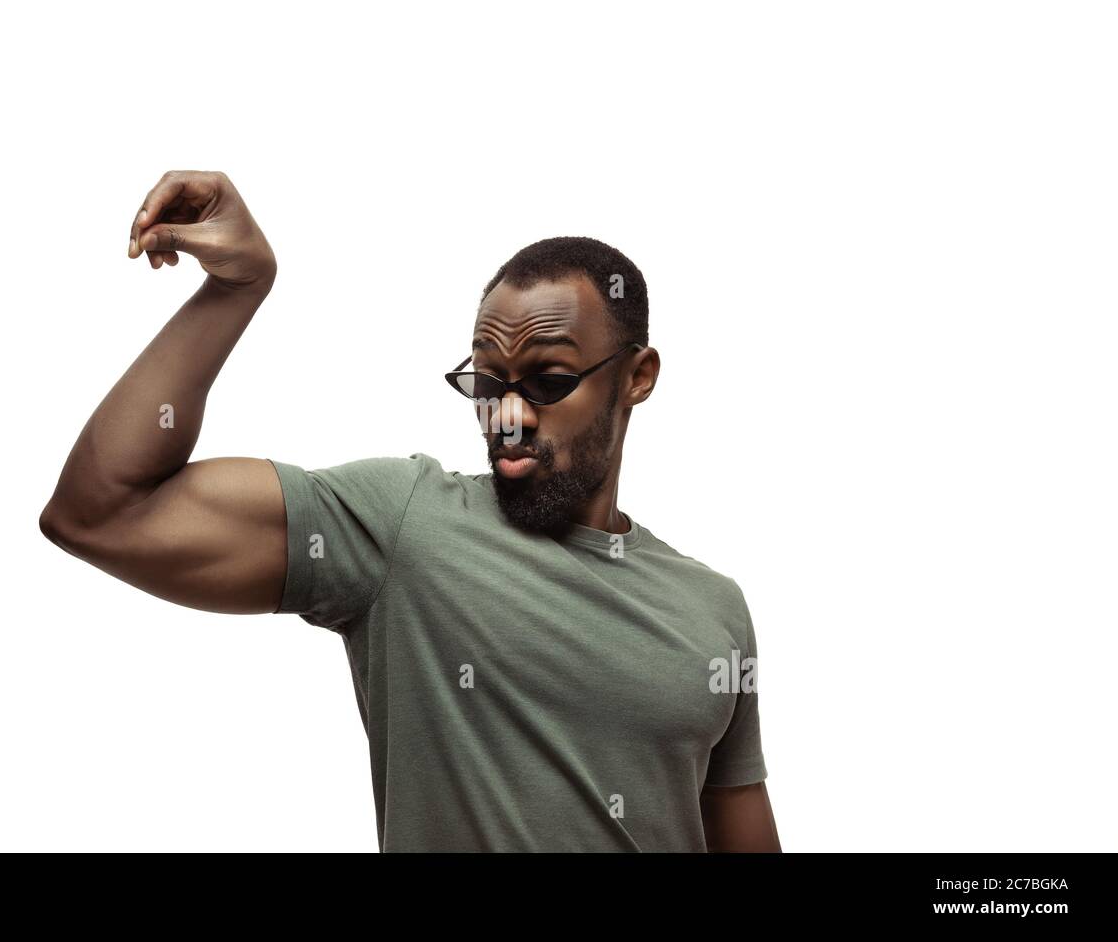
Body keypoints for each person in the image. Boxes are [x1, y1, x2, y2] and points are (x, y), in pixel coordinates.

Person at [39, 169, 781, 852]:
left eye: (548, 380)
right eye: (488, 385)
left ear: (638, 377)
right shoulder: (405, 525)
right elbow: (103, 512)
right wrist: (237, 290)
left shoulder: (714, 611)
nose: (508, 417)